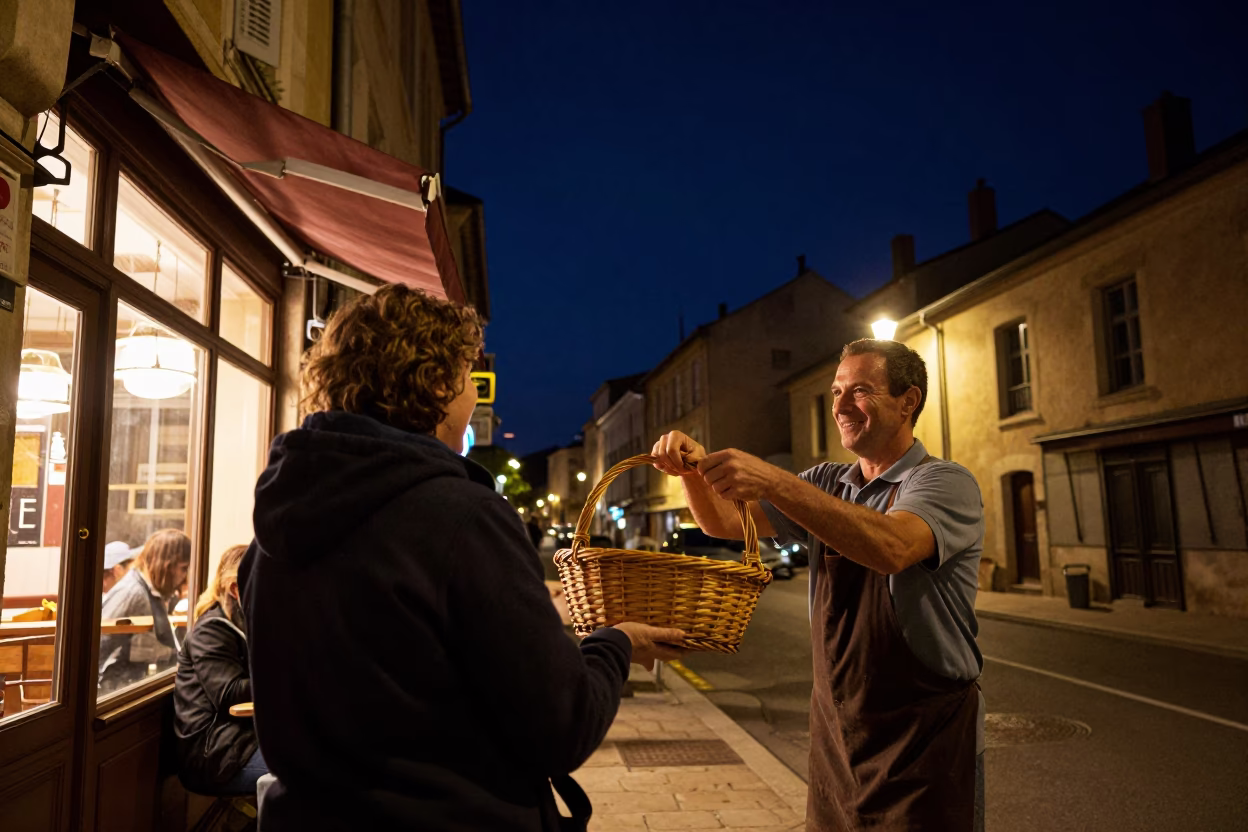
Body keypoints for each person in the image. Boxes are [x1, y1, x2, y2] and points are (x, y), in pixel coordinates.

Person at [240, 284, 685, 831]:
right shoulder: (462, 517)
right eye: (468, 377)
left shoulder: (276, 524)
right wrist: (616, 644)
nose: (474, 395)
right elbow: (562, 726)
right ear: (433, 383)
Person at [652, 338, 985, 831]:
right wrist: (693, 471)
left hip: (923, 738)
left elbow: (891, 548)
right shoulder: (829, 481)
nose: (841, 406)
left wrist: (776, 481)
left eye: (861, 391)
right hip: (837, 734)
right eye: (835, 392)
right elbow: (725, 522)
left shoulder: (943, 482)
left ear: (908, 402)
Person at [174, 544, 267, 796]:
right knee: (315, 776)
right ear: (236, 589)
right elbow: (230, 694)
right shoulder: (212, 629)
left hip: (244, 740)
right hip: (215, 754)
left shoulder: (248, 622)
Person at [99, 529, 191, 694]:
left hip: (141, 684)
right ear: (166, 565)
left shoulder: (153, 590)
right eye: (183, 569)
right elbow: (100, 644)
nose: (185, 576)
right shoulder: (132, 592)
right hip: (120, 691)